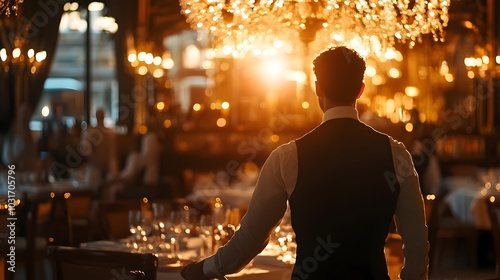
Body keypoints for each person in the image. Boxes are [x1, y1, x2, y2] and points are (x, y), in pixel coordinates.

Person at [180, 46, 429, 280]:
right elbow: (417, 245)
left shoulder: (287, 157)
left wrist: (206, 268)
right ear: (361, 90)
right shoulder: (396, 154)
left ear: (318, 88)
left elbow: (250, 240)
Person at [81, 108, 119, 197]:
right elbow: (87, 151)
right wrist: (96, 161)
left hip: (109, 168)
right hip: (95, 168)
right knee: (94, 193)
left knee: (109, 195)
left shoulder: (110, 132)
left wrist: (112, 167)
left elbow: (113, 151)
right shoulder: (90, 132)